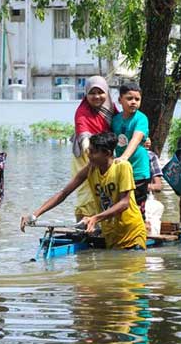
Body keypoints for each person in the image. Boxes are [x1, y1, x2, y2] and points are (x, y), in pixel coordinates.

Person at [21, 132, 147, 250]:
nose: (88, 155)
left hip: (132, 235)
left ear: (107, 153)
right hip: (112, 236)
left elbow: (124, 203)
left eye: (93, 152)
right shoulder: (91, 169)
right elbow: (63, 193)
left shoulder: (122, 167)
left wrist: (95, 218)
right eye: (88, 151)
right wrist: (34, 215)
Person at [71, 76, 118, 221]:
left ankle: (102, 221)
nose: (97, 96)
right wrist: (91, 155)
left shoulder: (111, 108)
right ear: (86, 94)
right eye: (92, 93)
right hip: (86, 153)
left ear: (107, 92)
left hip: (105, 153)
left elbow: (121, 128)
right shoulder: (82, 111)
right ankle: (83, 221)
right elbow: (84, 135)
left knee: (107, 186)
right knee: (87, 189)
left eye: (100, 92)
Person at [110, 83, 151, 215]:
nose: (133, 102)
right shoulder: (115, 120)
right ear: (120, 100)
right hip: (121, 170)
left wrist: (124, 158)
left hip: (139, 170)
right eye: (129, 98)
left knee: (137, 208)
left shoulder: (141, 118)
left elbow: (136, 138)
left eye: (137, 99)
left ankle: (140, 233)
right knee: (120, 205)